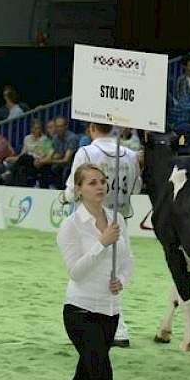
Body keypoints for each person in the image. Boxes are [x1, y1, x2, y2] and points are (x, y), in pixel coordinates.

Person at [54, 163, 139, 380]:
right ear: (78, 190)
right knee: (102, 377)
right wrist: (102, 244)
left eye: (102, 181)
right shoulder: (71, 226)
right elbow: (76, 272)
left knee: (86, 374)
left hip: (110, 311)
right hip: (80, 311)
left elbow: (128, 262)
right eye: (91, 183)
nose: (100, 187)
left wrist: (122, 281)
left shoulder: (117, 219)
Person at [64, 123, 140, 347]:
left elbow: (72, 189)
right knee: (115, 269)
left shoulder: (86, 152)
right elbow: (135, 188)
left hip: (91, 218)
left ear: (92, 128)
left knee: (89, 271)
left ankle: (105, 326)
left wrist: (65, 197)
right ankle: (118, 328)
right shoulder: (131, 154)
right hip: (119, 216)